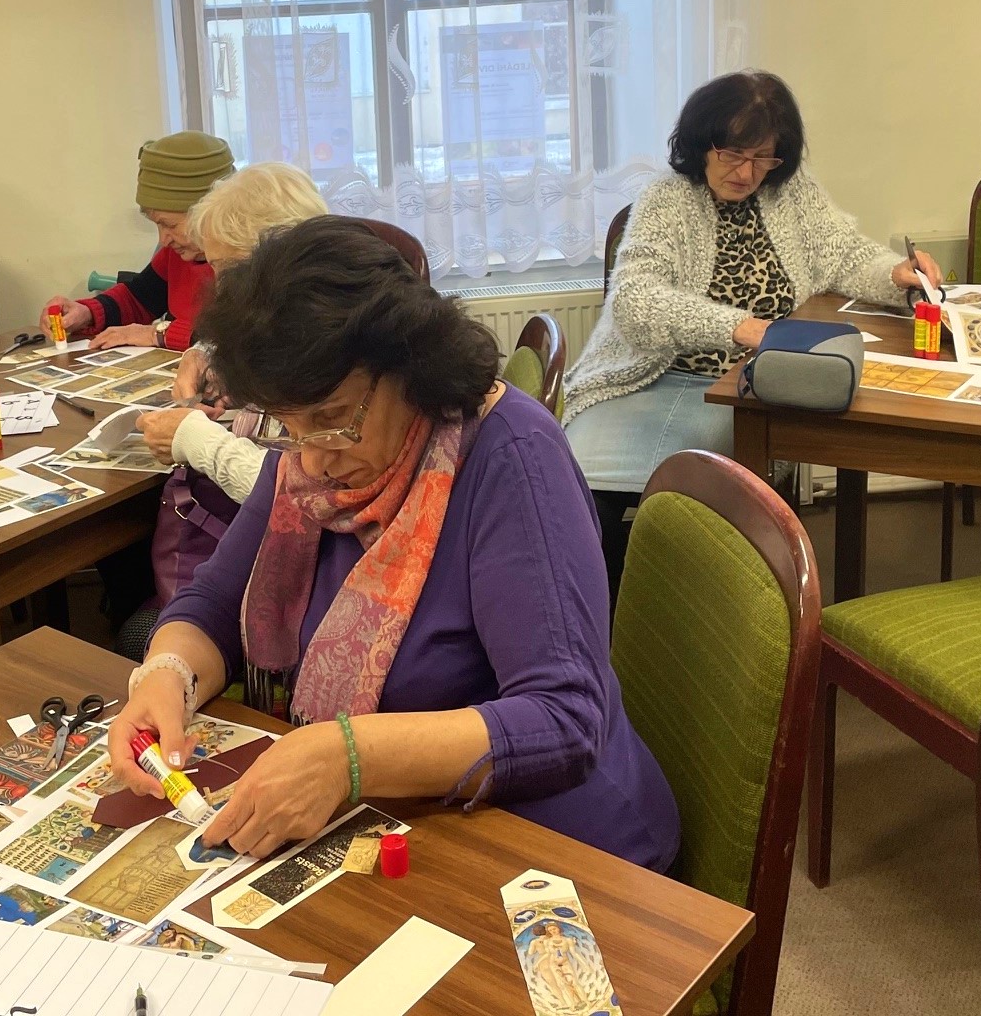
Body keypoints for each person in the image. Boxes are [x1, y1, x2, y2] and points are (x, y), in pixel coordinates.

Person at [107, 216, 679, 869]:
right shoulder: (309, 465)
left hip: (554, 845)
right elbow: (212, 603)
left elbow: (565, 721)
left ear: (409, 367)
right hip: (407, 823)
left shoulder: (510, 457)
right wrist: (168, 677)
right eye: (289, 427)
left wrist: (349, 757)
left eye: (332, 420)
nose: (311, 461)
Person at [562, 70, 942, 601]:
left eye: (763, 158)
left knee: (700, 514)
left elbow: (846, 255)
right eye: (733, 155)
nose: (746, 172)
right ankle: (600, 632)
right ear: (702, 145)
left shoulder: (794, 196)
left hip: (743, 388)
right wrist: (739, 326)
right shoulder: (666, 201)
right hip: (643, 381)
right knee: (578, 510)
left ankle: (683, 619)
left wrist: (894, 275)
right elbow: (634, 301)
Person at [111, 163, 329, 661]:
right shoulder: (292, 319)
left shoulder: (323, 352)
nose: (220, 290)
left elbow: (309, 494)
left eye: (227, 271)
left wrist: (194, 439)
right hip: (263, 558)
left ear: (276, 255)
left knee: (141, 632)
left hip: (299, 586)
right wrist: (208, 353)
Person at [46, 132, 234, 350]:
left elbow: (238, 338)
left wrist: (158, 334)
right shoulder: (178, 255)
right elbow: (138, 299)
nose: (163, 240)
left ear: (212, 214)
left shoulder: (252, 262)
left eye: (170, 225)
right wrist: (87, 313)